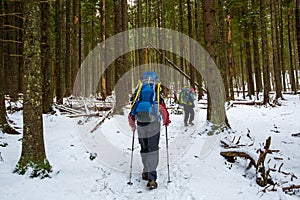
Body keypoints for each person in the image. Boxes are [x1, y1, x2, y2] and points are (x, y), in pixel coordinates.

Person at [128, 71, 170, 189]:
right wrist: (166, 122)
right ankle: (151, 178)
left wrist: (132, 125)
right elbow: (163, 111)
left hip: (141, 124)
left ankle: (146, 171)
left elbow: (132, 111)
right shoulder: (156, 94)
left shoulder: (138, 94)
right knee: (153, 149)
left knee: (144, 148)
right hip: (154, 125)